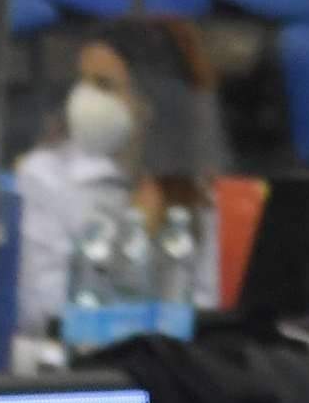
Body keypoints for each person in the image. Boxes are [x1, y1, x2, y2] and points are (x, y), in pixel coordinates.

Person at [12, 20, 224, 340]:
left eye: (104, 85)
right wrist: (130, 243)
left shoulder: (188, 184)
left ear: (150, 102)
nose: (83, 98)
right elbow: (42, 310)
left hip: (166, 358)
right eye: (82, 81)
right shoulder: (45, 176)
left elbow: (204, 304)